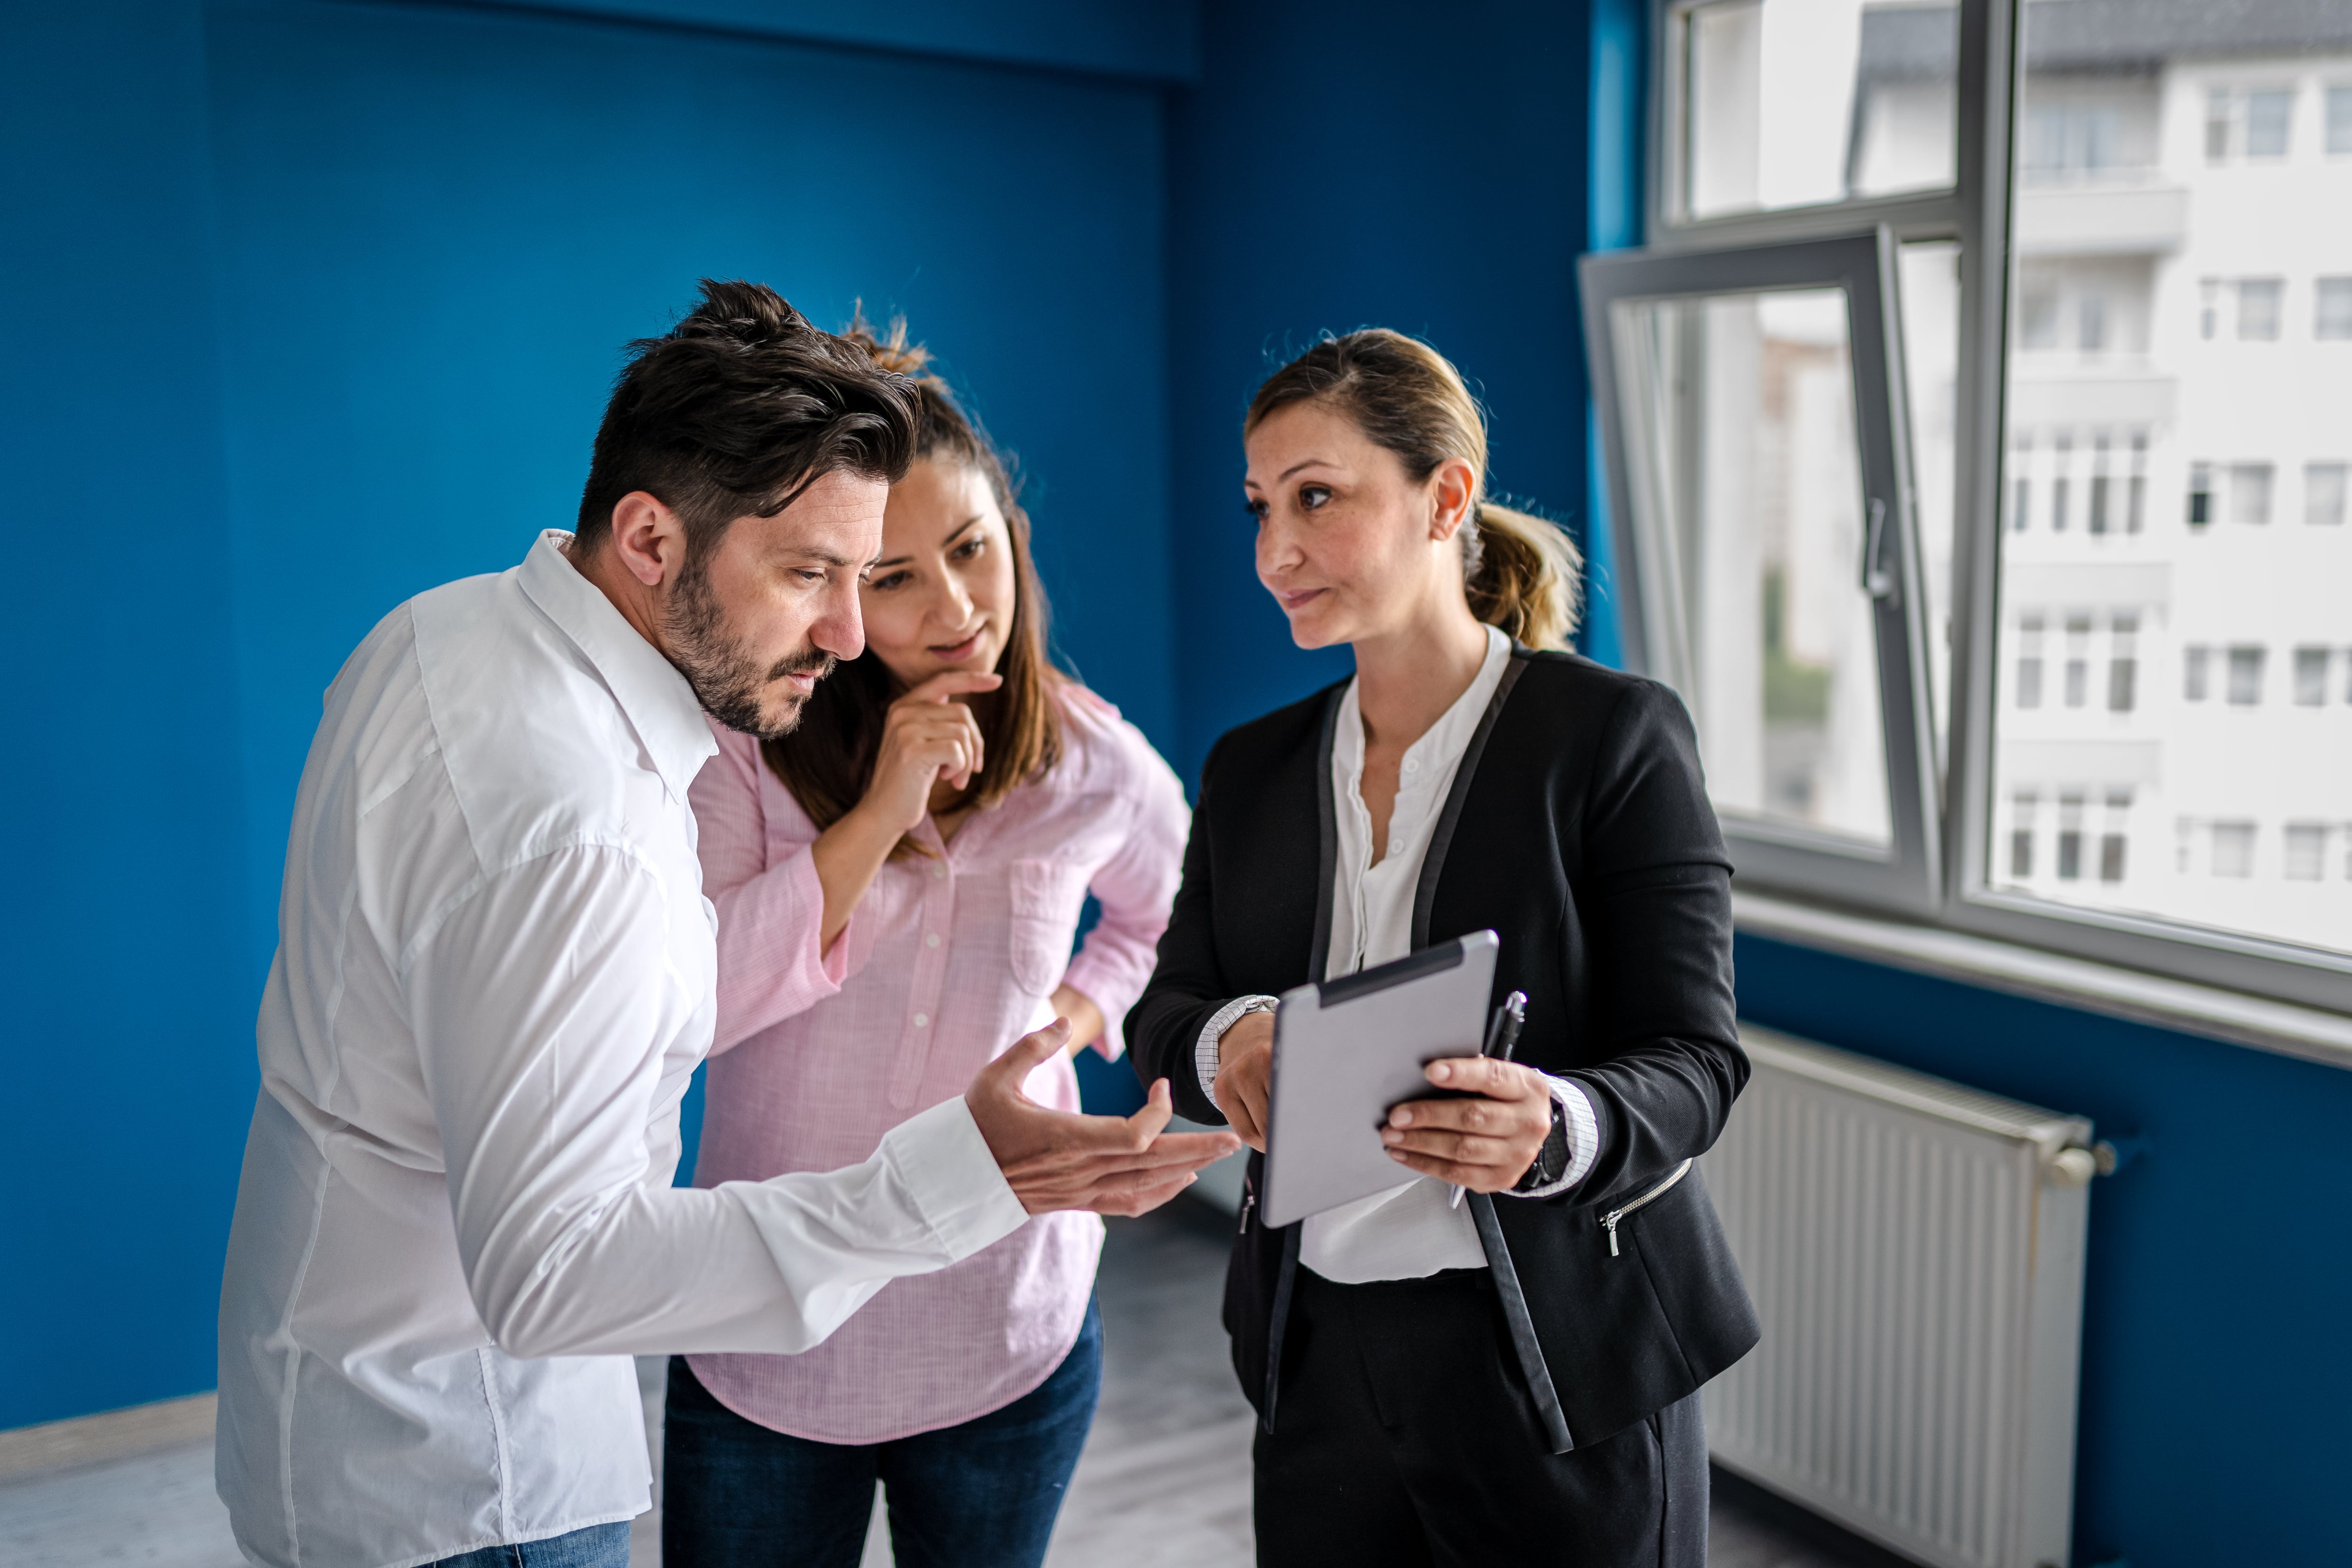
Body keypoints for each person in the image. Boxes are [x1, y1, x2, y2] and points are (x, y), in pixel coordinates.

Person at [214, 280, 1238, 1568]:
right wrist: (962, 1173)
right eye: (815, 574)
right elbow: (555, 1274)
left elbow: (623, 1005)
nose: (853, 631)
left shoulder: (433, 634)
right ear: (650, 542)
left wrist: (1075, 1015)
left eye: (870, 575)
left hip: (349, 1409)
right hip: (472, 1473)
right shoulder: (591, 823)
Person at [1128, 329, 1759, 1568]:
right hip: (1314, 1354)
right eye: (1260, 508)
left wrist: (1559, 1126)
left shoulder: (1612, 739)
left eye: (1317, 498)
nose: (1273, 552)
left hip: (1557, 1360)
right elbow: (1168, 1005)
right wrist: (1223, 1039)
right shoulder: (1250, 770)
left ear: (1447, 496)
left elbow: (1697, 1058)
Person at [659, 319, 1191, 1568]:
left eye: (972, 550)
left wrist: (1064, 1022)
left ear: (1012, 533)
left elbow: (1170, 914)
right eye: (894, 577)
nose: (958, 610)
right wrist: (879, 816)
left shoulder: (1090, 761)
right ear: (833, 589)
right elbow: (701, 1001)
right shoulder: (744, 752)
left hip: (1007, 1321)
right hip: (771, 1326)